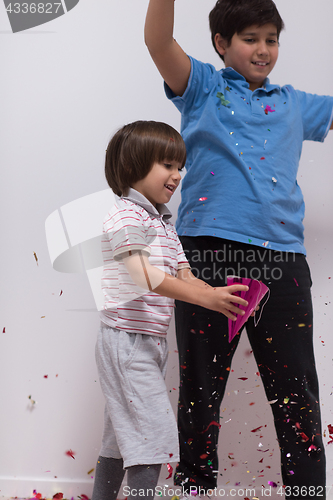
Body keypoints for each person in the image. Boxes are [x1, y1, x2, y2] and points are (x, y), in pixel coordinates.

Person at [144, 0, 333, 498]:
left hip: (282, 261)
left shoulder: (294, 102)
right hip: (207, 256)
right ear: (221, 44)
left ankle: (308, 492)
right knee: (201, 388)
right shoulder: (204, 86)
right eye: (251, 39)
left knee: (297, 391)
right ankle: (195, 487)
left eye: (272, 39)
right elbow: (158, 43)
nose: (264, 49)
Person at [91, 120, 251, 500]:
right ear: (133, 167)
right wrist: (206, 298)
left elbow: (184, 275)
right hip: (125, 343)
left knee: (120, 437)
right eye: (167, 164)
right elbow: (143, 276)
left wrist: (218, 295)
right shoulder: (126, 217)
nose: (177, 175)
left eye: (180, 166)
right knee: (151, 435)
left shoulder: (162, 222)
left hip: (148, 344)